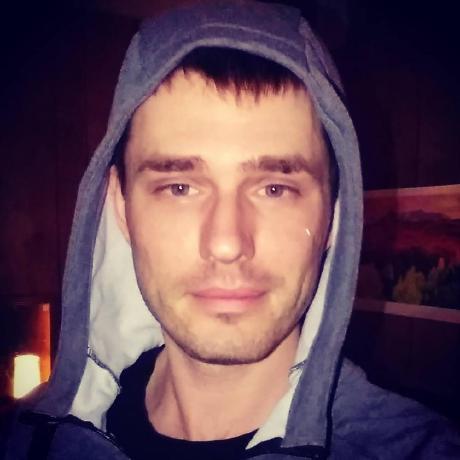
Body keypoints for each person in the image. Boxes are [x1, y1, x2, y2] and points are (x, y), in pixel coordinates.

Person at [2, 1, 459, 459]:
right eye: (179, 188)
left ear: (335, 216)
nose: (226, 243)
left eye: (275, 189)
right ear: (121, 208)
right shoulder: (25, 441)